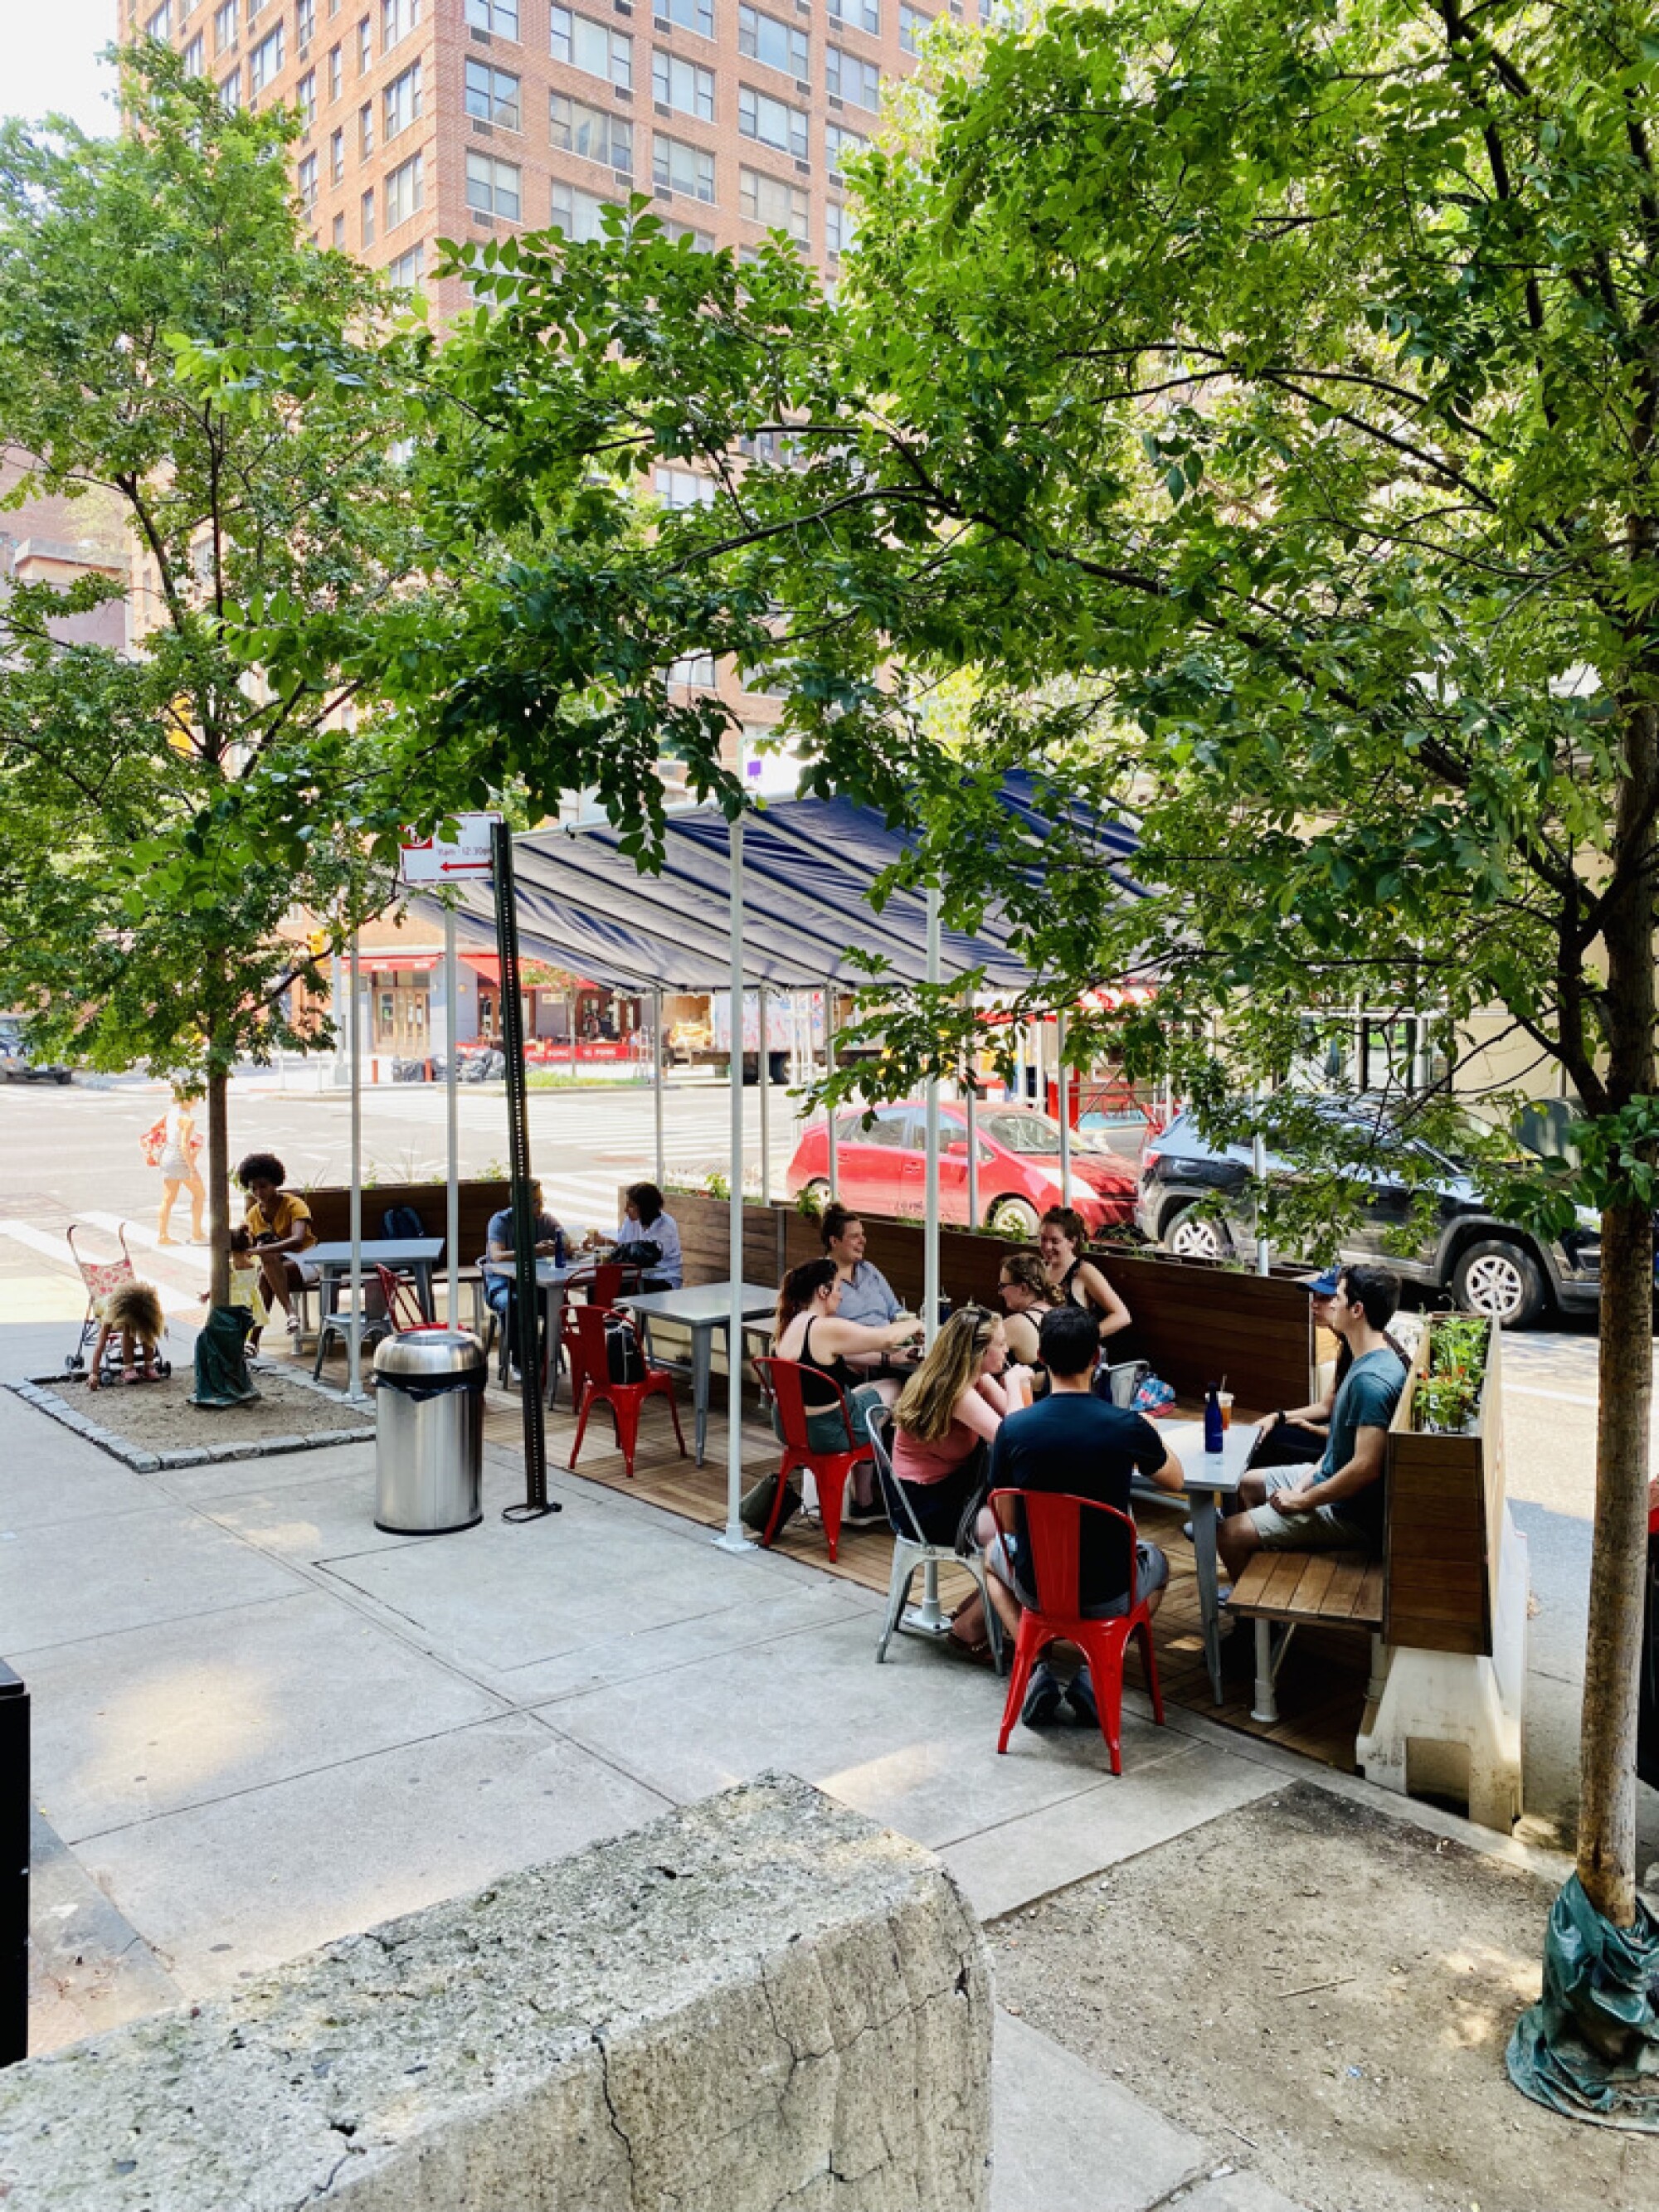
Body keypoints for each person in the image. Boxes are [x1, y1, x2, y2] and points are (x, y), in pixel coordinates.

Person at [978, 1303, 1185, 1726]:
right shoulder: (1126, 1425)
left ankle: (1035, 1667)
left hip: (1038, 1588)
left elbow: (1009, 1523)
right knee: (1159, 1563)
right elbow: (1176, 1481)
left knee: (990, 1560)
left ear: (1041, 1358)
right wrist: (1147, 1433)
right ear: (1096, 1358)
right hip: (1109, 1589)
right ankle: (1097, 1670)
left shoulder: (1013, 1429)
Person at [1219, 1263, 1408, 1578]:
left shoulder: (1371, 1381)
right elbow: (1339, 1451)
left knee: (1229, 1534)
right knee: (1247, 1484)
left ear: (1357, 1310)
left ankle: (1253, 1625)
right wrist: (1303, 1483)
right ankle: (1266, 1575)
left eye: (1339, 1297)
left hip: (1348, 1514)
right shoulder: (1366, 1358)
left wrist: (1302, 1501)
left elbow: (1365, 1467)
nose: (1331, 1303)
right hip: (1327, 1481)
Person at [772, 1258, 924, 1522]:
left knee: (868, 1390)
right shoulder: (824, 1327)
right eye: (838, 1289)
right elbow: (885, 1337)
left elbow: (846, 1354)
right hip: (827, 1432)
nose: (841, 1297)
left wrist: (891, 1359)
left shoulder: (790, 1325)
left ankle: (862, 1502)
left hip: (791, 1426)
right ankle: (888, 1492)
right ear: (823, 1291)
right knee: (897, 1388)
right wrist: (918, 1324)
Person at [1251, 1266, 1413, 1470]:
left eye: (1326, 1298)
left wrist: (1307, 1427)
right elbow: (1328, 1406)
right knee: (1270, 1433)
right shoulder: (1351, 1343)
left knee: (1268, 1443)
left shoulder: (1368, 1357)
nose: (1314, 1305)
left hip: (1344, 1454)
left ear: (1355, 1308)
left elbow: (1362, 1447)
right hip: (1338, 1440)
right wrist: (1278, 1417)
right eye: (1314, 1297)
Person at [237, 1153, 320, 1349]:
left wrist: (260, 1250)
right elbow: (250, 1242)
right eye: (253, 1188)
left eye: (263, 1186)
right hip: (277, 1266)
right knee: (266, 1273)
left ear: (275, 1183)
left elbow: (297, 1239)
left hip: (307, 1259)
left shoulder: (293, 1204)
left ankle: (254, 1340)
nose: (259, 1192)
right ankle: (289, 1315)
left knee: (266, 1270)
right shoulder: (254, 1214)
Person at [484, 1181, 565, 1377]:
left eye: (541, 1200)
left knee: (556, 1305)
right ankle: (520, 1361)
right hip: (502, 1284)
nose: (541, 1206)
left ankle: (544, 1358)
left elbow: (567, 1241)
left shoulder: (545, 1221)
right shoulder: (501, 1221)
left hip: (536, 1283)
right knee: (516, 1304)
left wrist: (562, 1245)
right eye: (535, 1202)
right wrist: (534, 1249)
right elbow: (497, 1256)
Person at [1038, 1206, 1131, 1350]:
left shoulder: (1084, 1272)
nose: (1047, 1246)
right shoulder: (1041, 1269)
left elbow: (1122, 1316)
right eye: (1043, 1239)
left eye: (1055, 1241)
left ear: (1072, 1242)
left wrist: (1083, 1339)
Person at [86, 1278, 166, 1388]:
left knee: (147, 1329)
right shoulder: (111, 1312)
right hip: (106, 1311)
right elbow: (101, 1343)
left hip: (131, 1311)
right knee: (128, 1329)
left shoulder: (146, 1307)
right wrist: (94, 1373)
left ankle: (149, 1364)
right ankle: (129, 1367)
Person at [154, 1087, 206, 1246]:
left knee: (168, 1198)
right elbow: (184, 1146)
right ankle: (197, 1234)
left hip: (167, 1156)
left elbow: (156, 1126)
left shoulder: (172, 1112)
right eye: (196, 1096)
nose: (198, 1099)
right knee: (200, 1194)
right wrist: (192, 1169)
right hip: (179, 1159)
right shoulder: (188, 1120)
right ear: (189, 1099)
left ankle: (162, 1235)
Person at [610, 1181, 683, 1290]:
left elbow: (646, 1256)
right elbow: (622, 1247)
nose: (625, 1210)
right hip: (637, 1277)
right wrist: (604, 1243)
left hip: (663, 1280)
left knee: (613, 1288)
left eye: (631, 1206)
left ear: (644, 1208)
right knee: (597, 1286)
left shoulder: (666, 1225)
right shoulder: (631, 1221)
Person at [995, 1251, 1057, 1368]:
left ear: (1023, 1288)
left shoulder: (1017, 1324)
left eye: (1003, 1286)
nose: (1000, 1293)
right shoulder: (1057, 1314)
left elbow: (973, 1359)